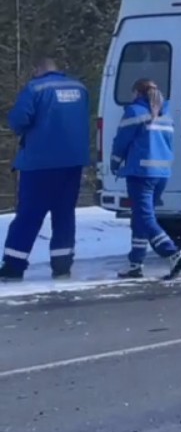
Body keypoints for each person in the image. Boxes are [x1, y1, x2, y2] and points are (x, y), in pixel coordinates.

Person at [1, 56, 92, 282]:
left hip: (39, 163)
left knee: (29, 215)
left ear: (37, 69)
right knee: (64, 215)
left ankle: (14, 265)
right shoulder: (80, 88)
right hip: (73, 162)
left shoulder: (35, 88)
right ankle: (62, 266)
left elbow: (19, 120)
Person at [111, 79, 181, 280]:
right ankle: (135, 263)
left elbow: (121, 141)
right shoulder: (165, 114)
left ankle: (173, 253)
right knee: (140, 217)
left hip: (141, 173)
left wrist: (115, 163)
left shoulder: (134, 112)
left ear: (138, 93)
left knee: (145, 217)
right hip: (161, 174)